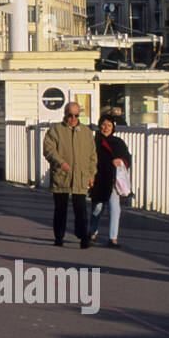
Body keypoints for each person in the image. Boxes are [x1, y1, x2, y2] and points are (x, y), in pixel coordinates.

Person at [42, 102, 98, 248]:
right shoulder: (56, 131)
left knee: (81, 209)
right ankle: (59, 237)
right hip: (62, 176)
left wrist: (92, 174)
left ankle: (83, 237)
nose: (73, 118)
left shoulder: (86, 132)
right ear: (65, 114)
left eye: (76, 115)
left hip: (80, 177)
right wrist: (60, 163)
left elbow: (92, 155)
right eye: (70, 115)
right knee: (60, 209)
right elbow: (49, 150)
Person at [89, 115, 131, 248]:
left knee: (115, 209)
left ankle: (113, 238)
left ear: (113, 128)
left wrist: (121, 161)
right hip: (98, 178)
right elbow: (88, 160)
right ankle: (92, 233)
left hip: (112, 180)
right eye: (103, 124)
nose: (105, 128)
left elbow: (127, 158)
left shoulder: (118, 142)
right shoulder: (94, 141)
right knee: (97, 208)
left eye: (109, 125)